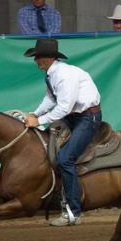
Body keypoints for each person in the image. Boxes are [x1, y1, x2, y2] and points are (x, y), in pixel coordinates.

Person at [23, 38, 101, 226]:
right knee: (46, 145)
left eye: (37, 57)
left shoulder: (64, 75)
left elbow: (64, 107)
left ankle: (73, 212)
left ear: (48, 57)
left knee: (65, 159)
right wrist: (36, 113)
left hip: (87, 118)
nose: (35, 60)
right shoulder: (52, 74)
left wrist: (39, 121)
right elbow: (50, 98)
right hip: (74, 117)